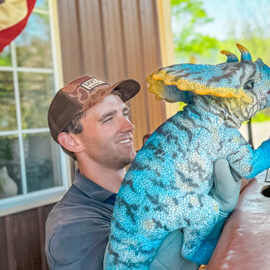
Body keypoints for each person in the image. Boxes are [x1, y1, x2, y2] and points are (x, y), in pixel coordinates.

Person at [45, 76, 241, 269]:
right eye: (108, 119)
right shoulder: (71, 228)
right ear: (72, 141)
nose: (129, 126)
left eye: (125, 114)